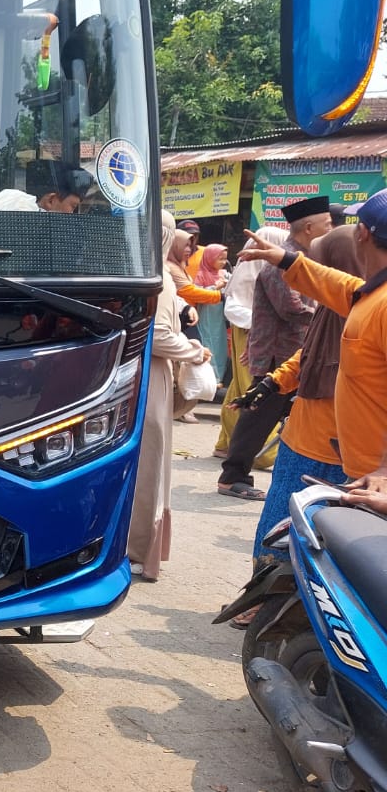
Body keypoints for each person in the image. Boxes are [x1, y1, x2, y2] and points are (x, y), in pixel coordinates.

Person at [227, 226, 361, 626]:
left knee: (331, 535)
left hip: (346, 450)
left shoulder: (365, 315)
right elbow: (308, 357)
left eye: (323, 262)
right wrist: (271, 384)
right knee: (277, 524)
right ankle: (262, 599)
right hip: (301, 441)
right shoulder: (329, 314)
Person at [238, 187, 387, 486]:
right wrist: (285, 259)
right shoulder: (366, 296)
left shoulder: (378, 303)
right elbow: (337, 286)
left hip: (357, 467)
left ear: (362, 235)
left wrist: (385, 470)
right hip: (312, 447)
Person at [217, 197, 331, 500]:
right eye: (327, 224)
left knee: (282, 417)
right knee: (257, 417)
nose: (330, 229)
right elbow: (291, 308)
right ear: (309, 228)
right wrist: (332, 311)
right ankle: (232, 477)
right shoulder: (284, 263)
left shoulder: (303, 261)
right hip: (278, 354)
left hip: (294, 352)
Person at [128, 211, 212, 582]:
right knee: (149, 459)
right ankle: (137, 546)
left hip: (133, 371)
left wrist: (181, 306)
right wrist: (194, 351)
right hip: (151, 376)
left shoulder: (135, 272)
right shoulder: (158, 278)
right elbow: (159, 335)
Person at [215, 227, 284, 467]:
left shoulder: (261, 268)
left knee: (238, 388)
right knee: (255, 390)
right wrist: (262, 323)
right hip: (252, 334)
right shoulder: (254, 270)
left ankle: (226, 443)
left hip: (253, 333)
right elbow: (233, 306)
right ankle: (262, 453)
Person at [167, 228, 220, 419]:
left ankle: (183, 404)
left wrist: (186, 307)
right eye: (185, 244)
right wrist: (218, 294)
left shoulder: (177, 265)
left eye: (191, 243)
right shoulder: (168, 269)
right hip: (175, 326)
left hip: (186, 318)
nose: (189, 248)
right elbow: (187, 290)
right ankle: (180, 404)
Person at [193, 243, 230, 382]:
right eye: (219, 258)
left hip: (219, 315)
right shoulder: (201, 274)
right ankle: (210, 378)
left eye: (225, 259)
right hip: (206, 314)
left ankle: (219, 377)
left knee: (220, 344)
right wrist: (215, 287)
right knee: (208, 341)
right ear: (209, 258)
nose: (223, 262)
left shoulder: (223, 274)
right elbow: (197, 294)